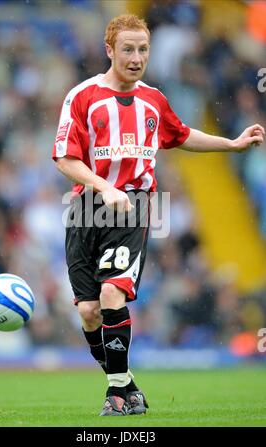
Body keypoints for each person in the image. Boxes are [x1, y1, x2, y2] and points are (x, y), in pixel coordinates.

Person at [52, 14, 265, 416]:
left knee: (113, 293)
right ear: (109, 50)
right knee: (88, 310)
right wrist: (103, 186)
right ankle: (126, 384)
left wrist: (232, 144)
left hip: (132, 207)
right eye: (128, 49)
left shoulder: (153, 99)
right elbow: (65, 158)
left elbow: (181, 134)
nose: (136, 58)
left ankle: (116, 395)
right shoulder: (82, 96)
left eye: (143, 49)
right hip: (86, 210)